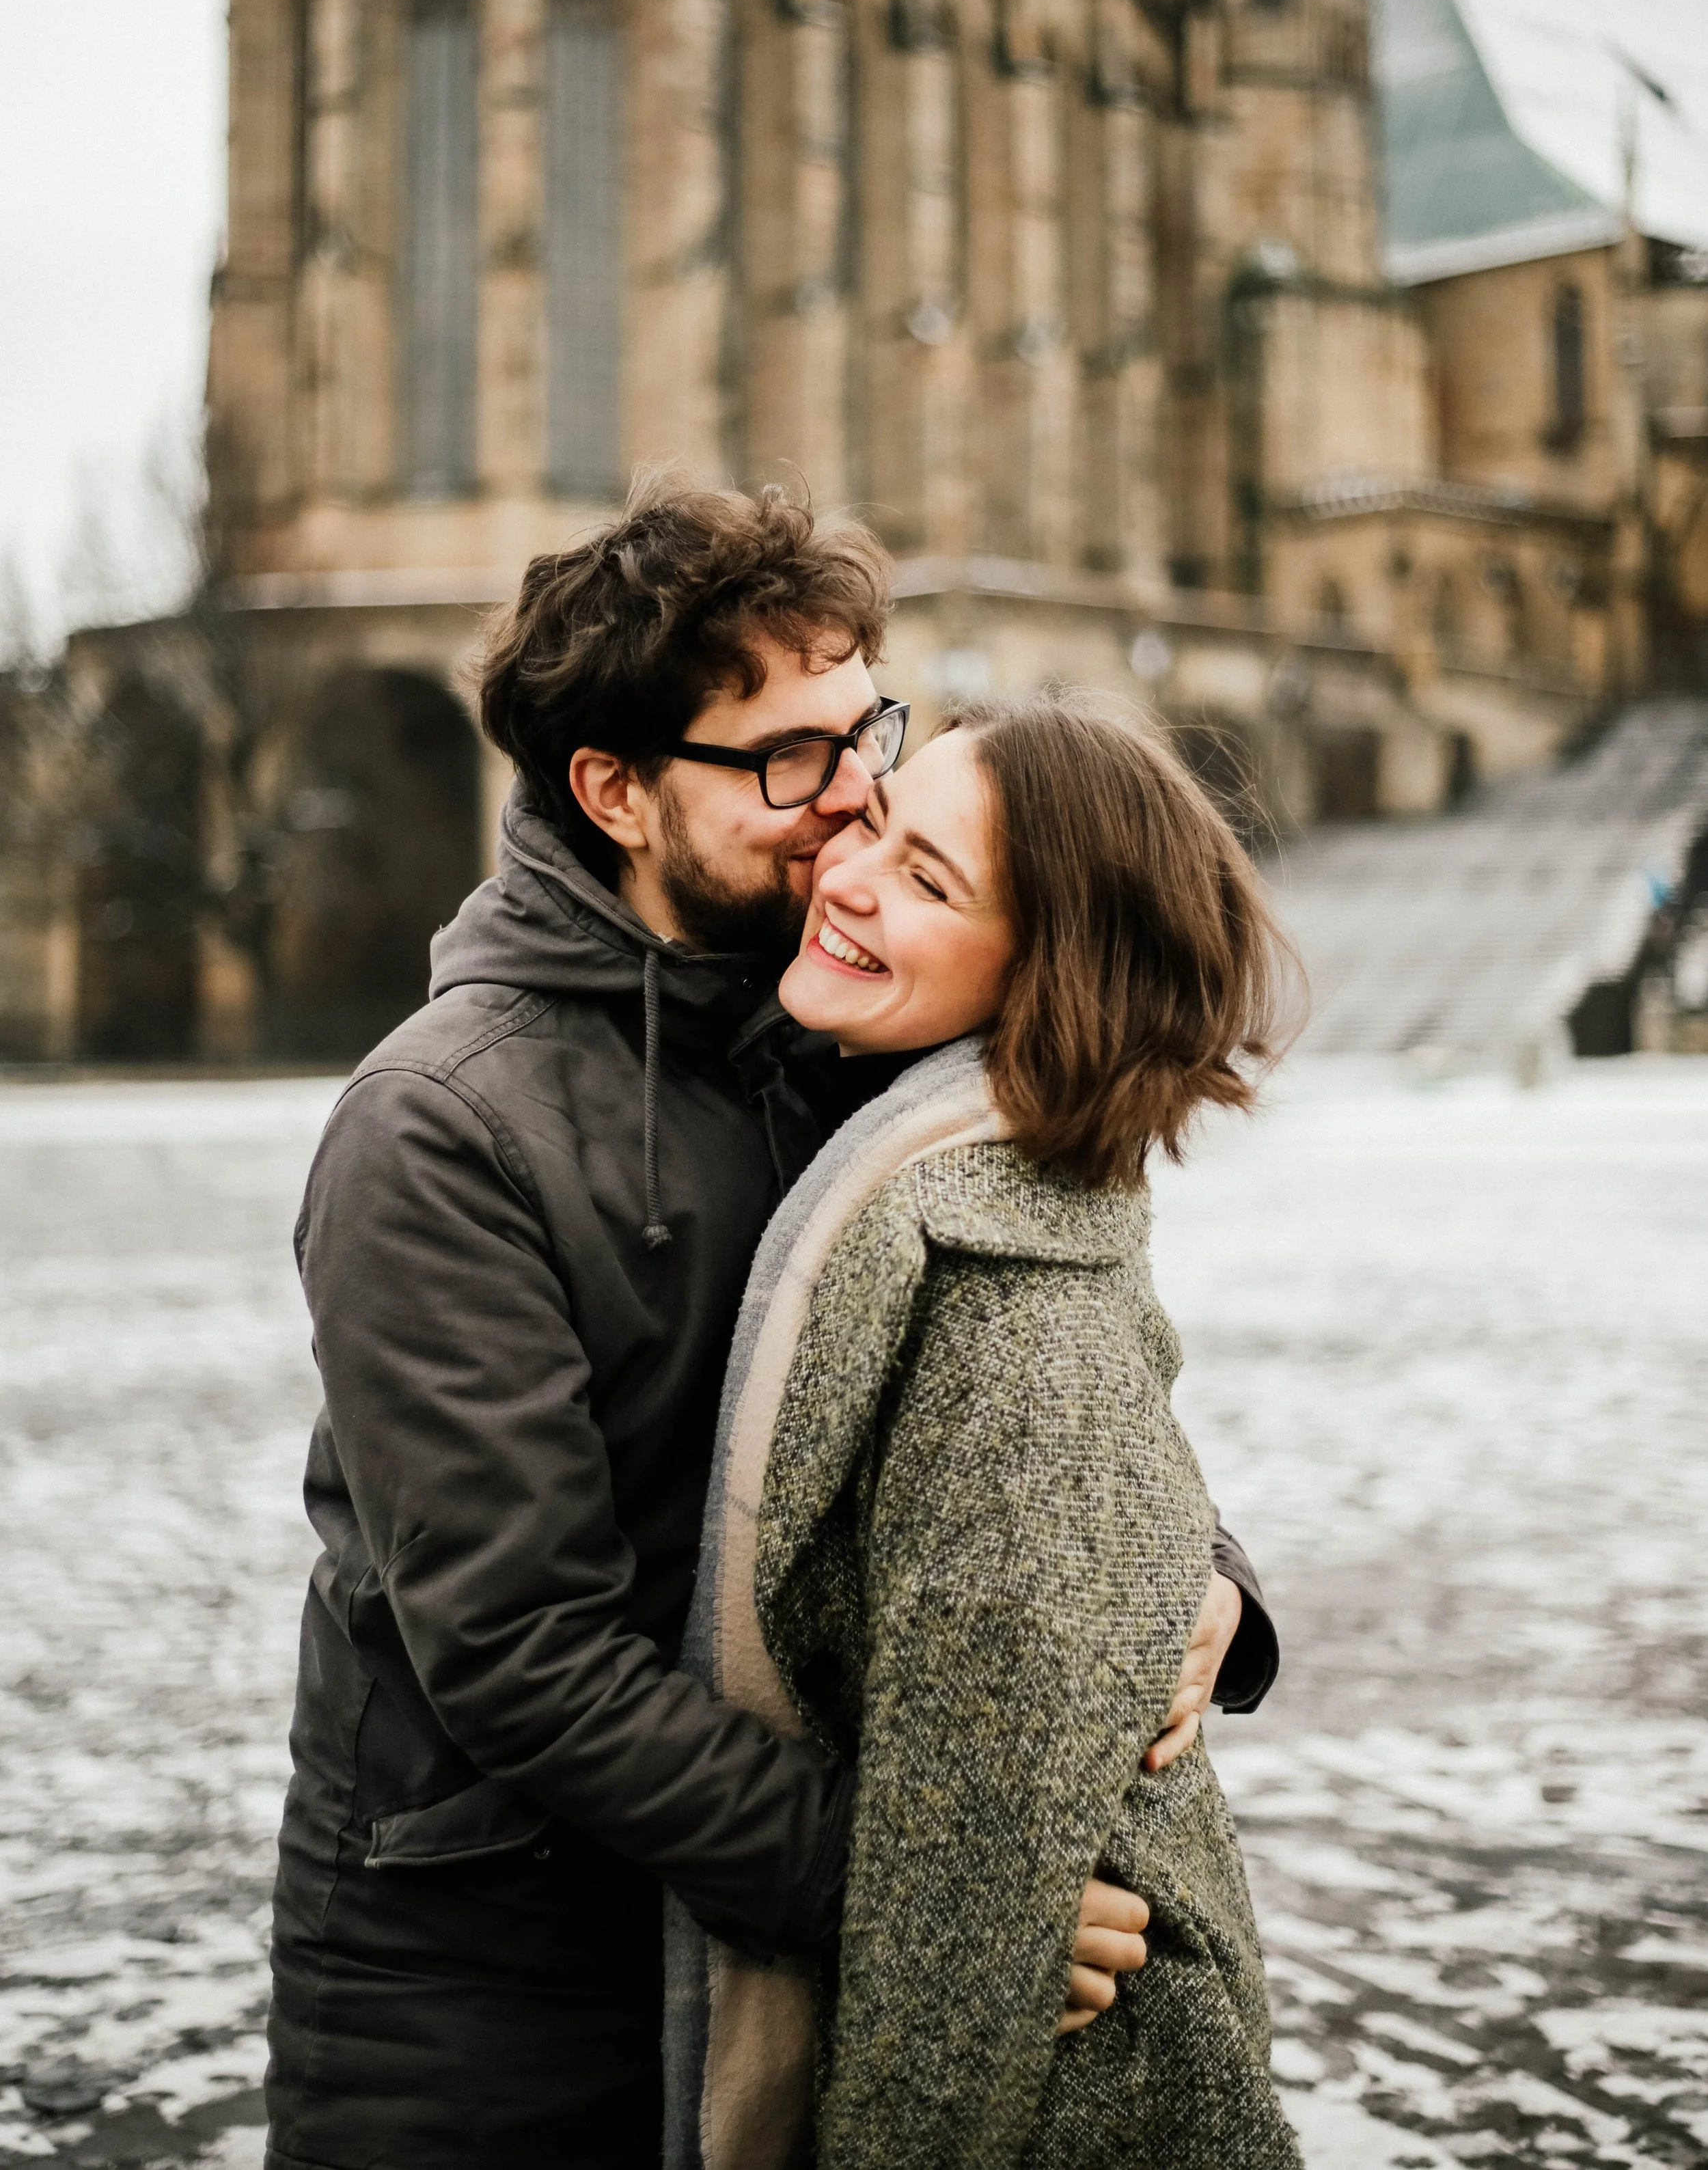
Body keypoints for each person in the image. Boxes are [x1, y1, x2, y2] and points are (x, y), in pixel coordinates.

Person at [266, 482, 1278, 2170]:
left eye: (863, 726)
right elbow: (520, 1652)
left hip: (749, 1947)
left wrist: (1210, 1585)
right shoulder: (441, 1125)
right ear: (614, 791)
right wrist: (936, 1897)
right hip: (492, 1992)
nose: (855, 795)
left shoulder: (847, 1044)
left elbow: (1036, 1372)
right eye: (787, 760)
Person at [670, 694, 1303, 2170]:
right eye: (878, 823)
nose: (847, 871)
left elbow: (957, 1960)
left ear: (1046, 973)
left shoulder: (1007, 1319)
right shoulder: (966, 1189)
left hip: (1089, 2095)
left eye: (927, 881)